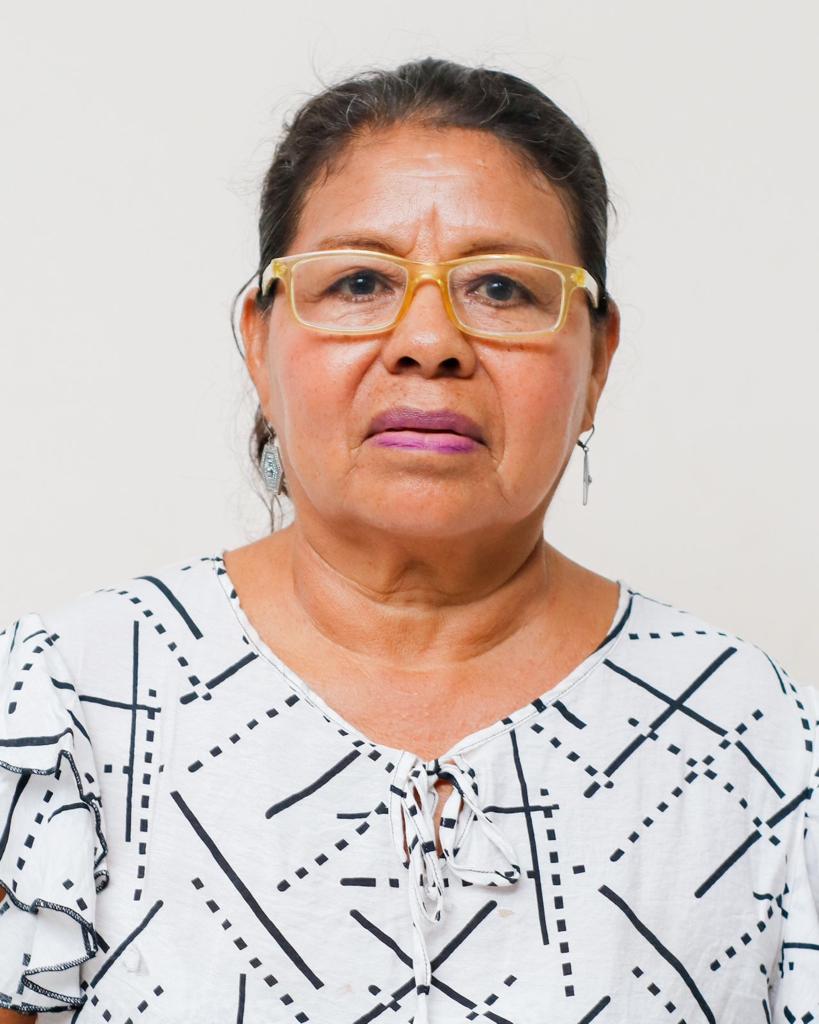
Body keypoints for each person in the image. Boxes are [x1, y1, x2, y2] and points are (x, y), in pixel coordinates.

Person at [1, 57, 816, 1024]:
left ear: (596, 359)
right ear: (259, 341)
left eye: (502, 288)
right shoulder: (67, 707)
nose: (429, 341)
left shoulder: (756, 740)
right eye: (358, 280)